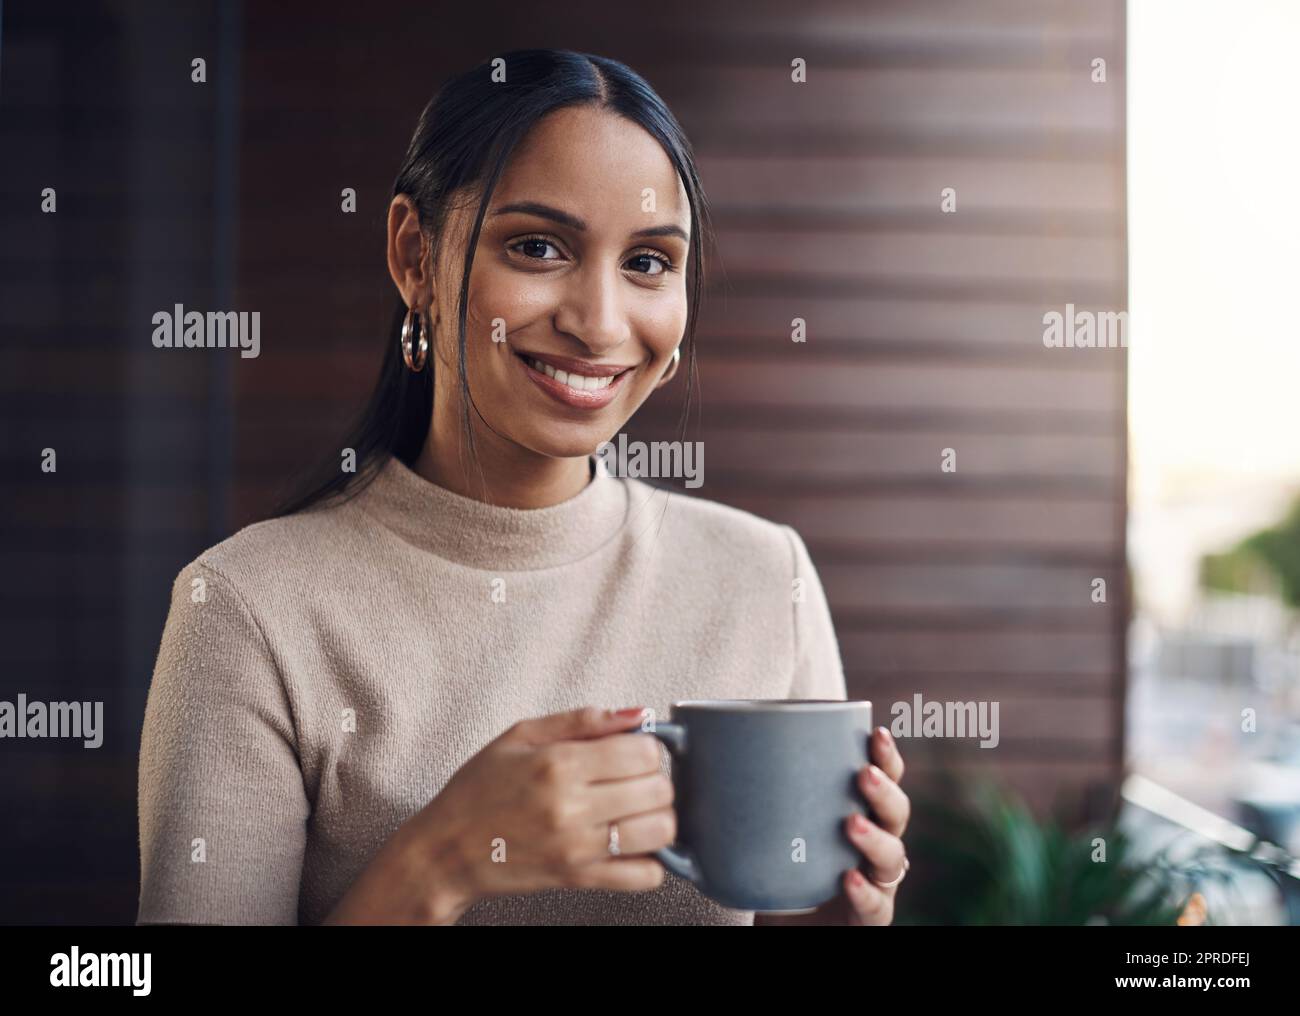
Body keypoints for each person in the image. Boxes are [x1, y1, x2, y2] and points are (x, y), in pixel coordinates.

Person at [136, 48, 910, 926]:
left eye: (650, 263)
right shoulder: (248, 609)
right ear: (414, 257)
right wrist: (442, 861)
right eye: (538, 247)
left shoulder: (767, 577)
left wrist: (860, 916)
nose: (600, 322)